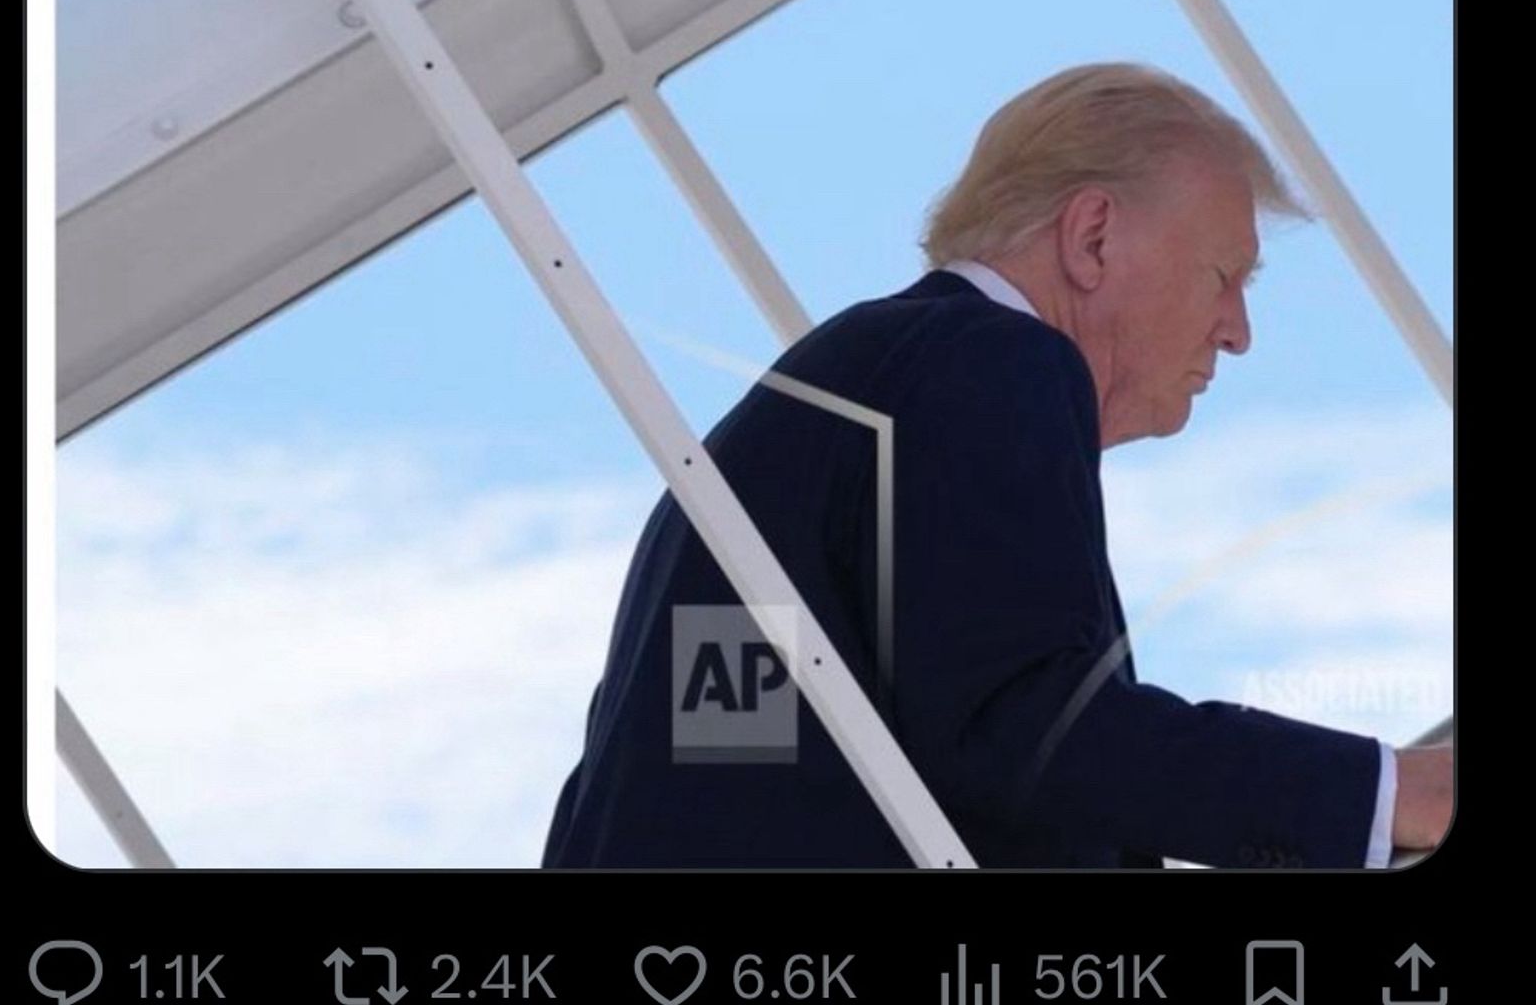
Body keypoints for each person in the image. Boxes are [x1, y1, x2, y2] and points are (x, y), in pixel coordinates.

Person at [542, 63, 1453, 867]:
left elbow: (726, 759)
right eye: (1226, 275)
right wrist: (1385, 794)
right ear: (1093, 237)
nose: (1238, 332)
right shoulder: (986, 358)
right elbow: (1021, 723)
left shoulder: (842, 394)